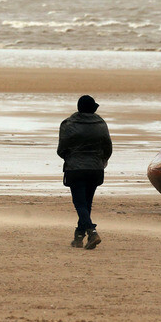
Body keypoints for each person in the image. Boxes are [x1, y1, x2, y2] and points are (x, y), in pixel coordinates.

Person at [57, 95, 112, 250]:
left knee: (80, 204)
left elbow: (61, 150)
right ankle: (79, 236)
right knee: (86, 204)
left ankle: (92, 232)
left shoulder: (68, 124)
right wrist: (101, 161)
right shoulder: (101, 124)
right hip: (95, 169)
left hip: (76, 169)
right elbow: (108, 148)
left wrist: (71, 158)